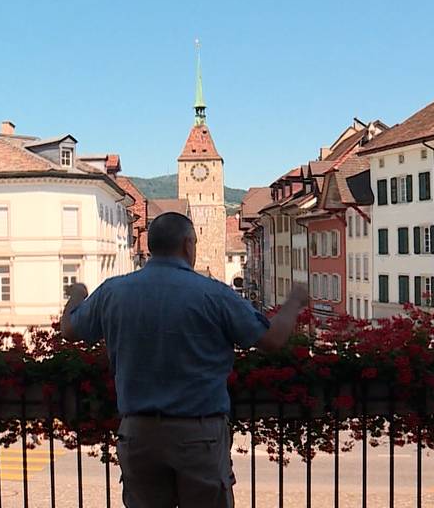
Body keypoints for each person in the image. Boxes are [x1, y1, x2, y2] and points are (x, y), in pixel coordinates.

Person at [60, 212, 308, 508]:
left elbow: (70, 330)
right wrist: (294, 301)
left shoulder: (114, 291)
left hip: (139, 433)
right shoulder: (214, 294)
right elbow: (272, 340)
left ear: (152, 246)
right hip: (198, 433)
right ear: (189, 244)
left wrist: (77, 294)